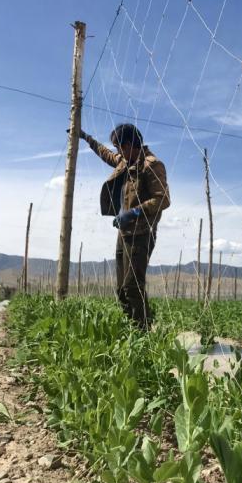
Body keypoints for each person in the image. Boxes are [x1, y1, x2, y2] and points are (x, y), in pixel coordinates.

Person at [79, 124, 171, 330]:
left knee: (133, 286)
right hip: (124, 233)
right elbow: (105, 154)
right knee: (121, 288)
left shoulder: (151, 165)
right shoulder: (124, 161)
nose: (117, 152)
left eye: (119, 147)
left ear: (129, 145)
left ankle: (142, 333)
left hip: (142, 233)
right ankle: (130, 328)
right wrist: (85, 137)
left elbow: (163, 199)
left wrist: (133, 212)